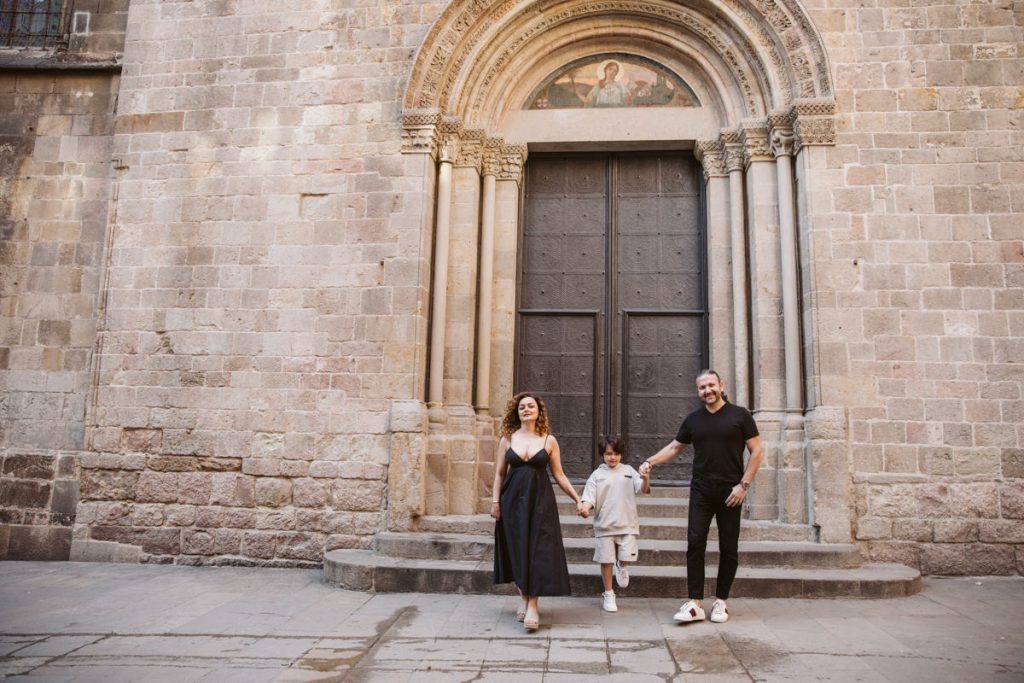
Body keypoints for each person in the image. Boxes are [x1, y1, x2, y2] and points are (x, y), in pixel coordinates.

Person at [639, 369, 763, 624]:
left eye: (710, 385)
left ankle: (720, 601)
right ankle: (694, 603)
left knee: (729, 547)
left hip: (731, 492)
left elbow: (757, 451)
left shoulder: (740, 415)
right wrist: (650, 461)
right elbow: (675, 447)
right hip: (701, 491)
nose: (707, 391)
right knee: (695, 544)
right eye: (702, 388)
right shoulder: (694, 420)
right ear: (698, 392)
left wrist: (743, 485)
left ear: (721, 385)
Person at [491, 392, 582, 631]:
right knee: (517, 550)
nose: (526, 409)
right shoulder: (507, 438)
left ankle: (533, 604)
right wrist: (495, 502)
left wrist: (577, 499)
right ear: (517, 412)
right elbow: (500, 473)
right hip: (512, 501)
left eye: (531, 406)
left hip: (541, 502)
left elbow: (559, 474)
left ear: (539, 411)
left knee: (538, 550)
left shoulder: (549, 440)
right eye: (522, 407)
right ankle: (524, 597)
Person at [578, 435, 650, 613]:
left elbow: (643, 488)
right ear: (602, 455)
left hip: (627, 524)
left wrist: (646, 478)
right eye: (609, 453)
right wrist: (585, 508)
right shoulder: (597, 475)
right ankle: (608, 593)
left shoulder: (628, 471)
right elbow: (589, 498)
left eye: (616, 453)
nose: (613, 457)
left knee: (625, 556)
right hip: (604, 526)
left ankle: (622, 565)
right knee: (606, 560)